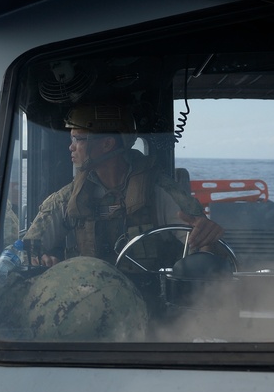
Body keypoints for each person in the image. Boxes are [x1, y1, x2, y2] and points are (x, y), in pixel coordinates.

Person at [23, 104, 224, 269]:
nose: (71, 146)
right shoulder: (68, 198)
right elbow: (25, 250)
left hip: (153, 302)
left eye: (78, 139)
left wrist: (207, 238)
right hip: (88, 300)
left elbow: (205, 252)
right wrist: (38, 259)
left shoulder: (160, 192)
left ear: (107, 144)